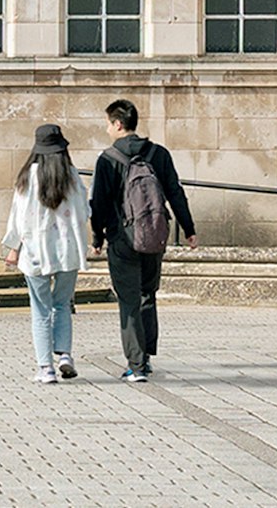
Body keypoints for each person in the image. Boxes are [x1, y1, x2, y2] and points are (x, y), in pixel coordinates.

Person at [88, 98, 194, 383]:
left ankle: (135, 365)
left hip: (123, 239)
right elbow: (175, 192)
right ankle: (145, 358)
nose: (108, 129)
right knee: (148, 295)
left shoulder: (107, 159)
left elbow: (98, 204)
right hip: (155, 236)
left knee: (129, 300)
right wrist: (188, 228)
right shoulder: (159, 154)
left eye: (109, 123)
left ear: (118, 124)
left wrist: (97, 237)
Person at [0, 122, 87, 384]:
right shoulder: (72, 176)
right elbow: (85, 212)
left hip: (36, 252)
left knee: (40, 310)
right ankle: (65, 356)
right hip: (68, 252)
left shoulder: (27, 178)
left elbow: (18, 219)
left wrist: (13, 248)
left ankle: (45, 368)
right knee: (62, 304)